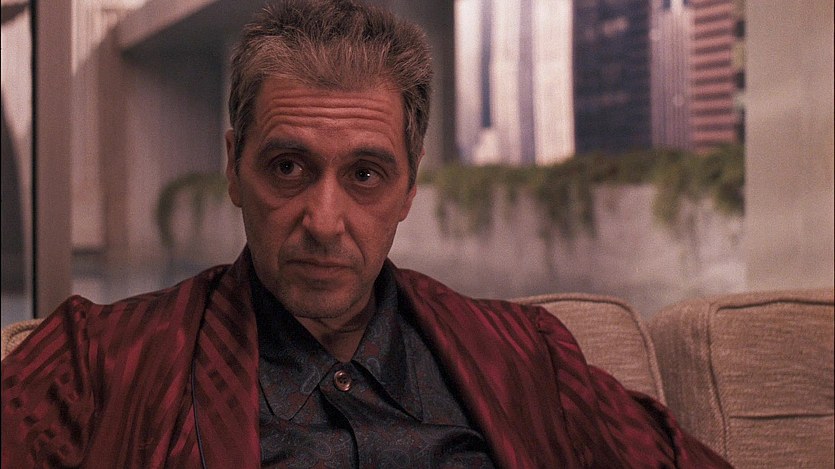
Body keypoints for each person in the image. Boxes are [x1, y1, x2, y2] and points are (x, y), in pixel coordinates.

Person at [1, 1, 732, 467]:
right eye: (288, 168)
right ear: (233, 167)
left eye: (364, 174)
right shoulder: (97, 362)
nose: (324, 222)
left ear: (409, 187)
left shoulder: (526, 357)